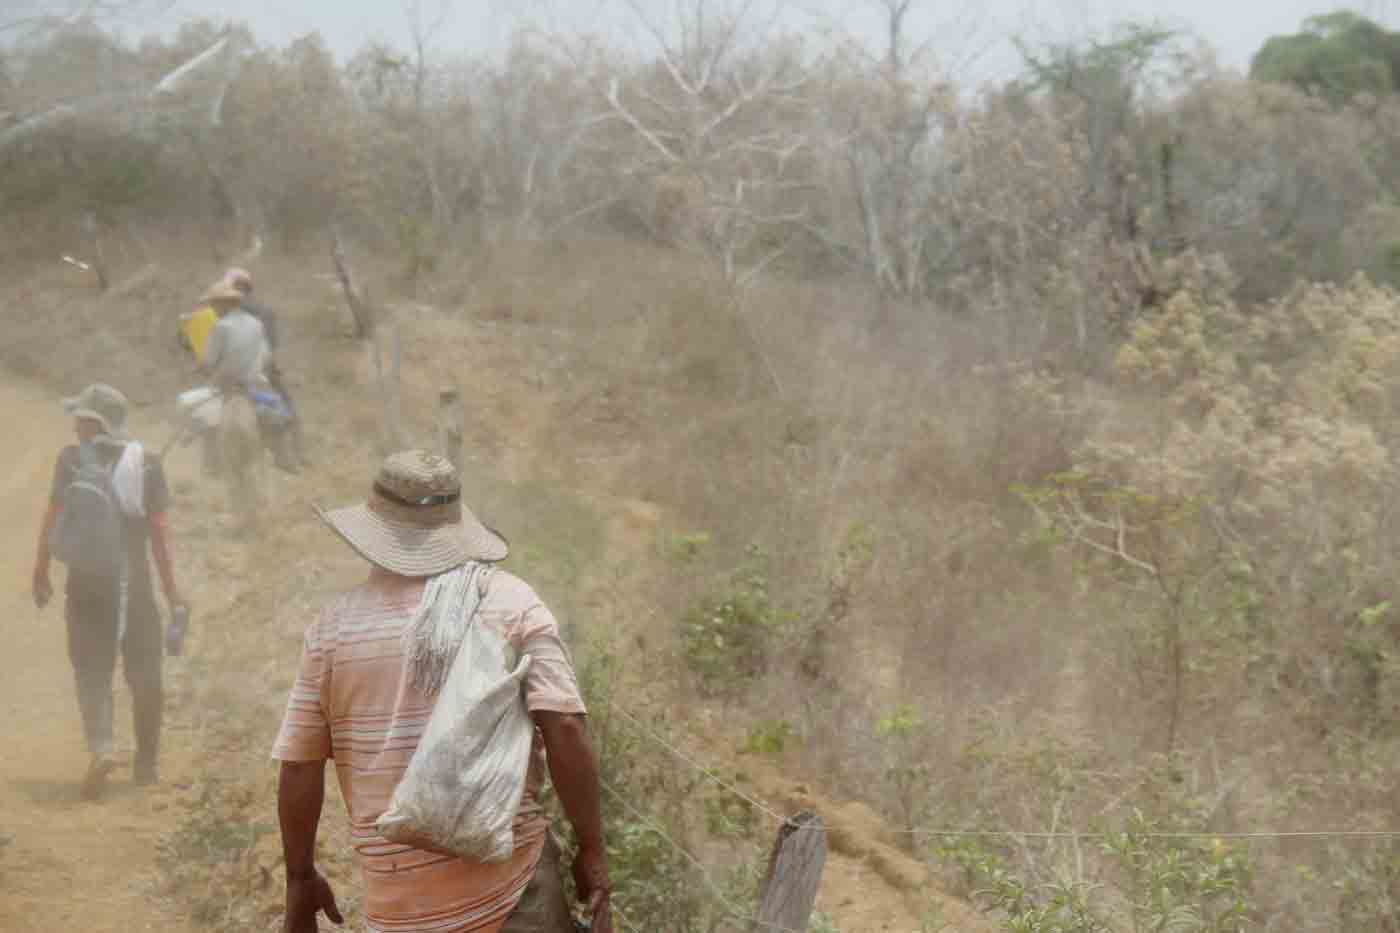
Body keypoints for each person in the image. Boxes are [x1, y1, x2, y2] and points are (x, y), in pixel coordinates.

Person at [272, 450, 612, 933]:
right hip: (514, 896)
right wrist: (593, 850)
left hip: (400, 911)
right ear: (455, 526)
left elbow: (300, 766)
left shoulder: (333, 630)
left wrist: (299, 879)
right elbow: (565, 727)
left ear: (373, 530)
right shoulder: (509, 600)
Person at [31, 383, 186, 798]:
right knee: (145, 674)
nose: (76, 425)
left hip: (85, 584)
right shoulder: (147, 462)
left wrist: (41, 570)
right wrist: (172, 595)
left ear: (91, 422)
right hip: (134, 586)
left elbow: (53, 515)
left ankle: (102, 747)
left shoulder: (71, 460)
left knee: (91, 671)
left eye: (80, 418)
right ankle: (147, 765)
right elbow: (160, 533)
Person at [222, 267, 307, 469]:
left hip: (234, 376)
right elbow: (272, 346)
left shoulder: (222, 316)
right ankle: (294, 455)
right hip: (263, 371)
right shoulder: (265, 312)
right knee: (285, 409)